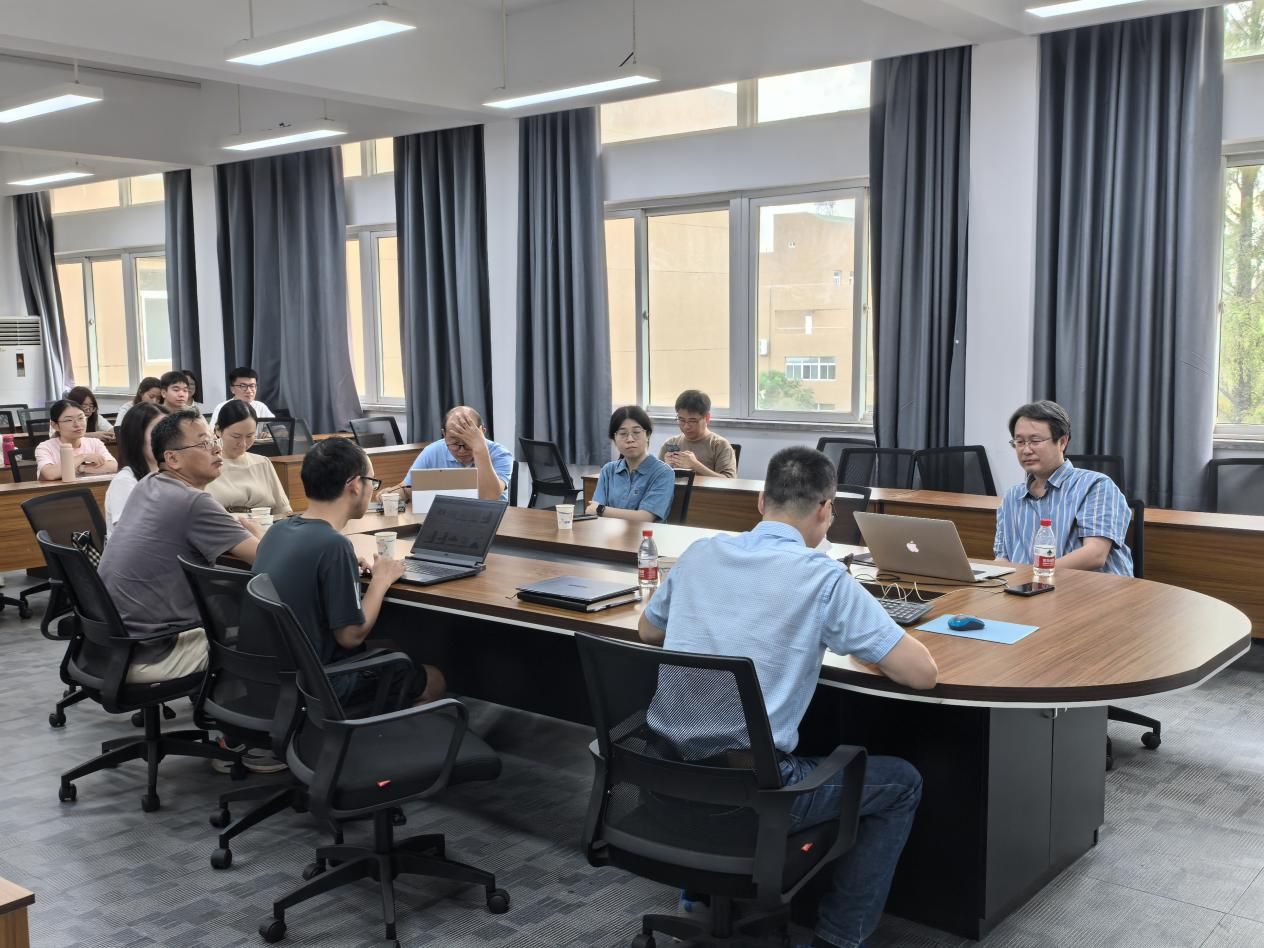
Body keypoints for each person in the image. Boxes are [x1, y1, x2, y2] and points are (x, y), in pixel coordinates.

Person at [638, 446, 938, 948]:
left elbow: (649, 630)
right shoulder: (823, 578)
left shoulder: (700, 554)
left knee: (723, 739)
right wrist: (866, 649)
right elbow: (922, 673)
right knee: (901, 783)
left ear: (761, 502)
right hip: (756, 799)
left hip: (664, 778)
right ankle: (838, 938)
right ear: (826, 509)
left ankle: (700, 894)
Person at [253, 437, 444, 708]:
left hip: (271, 681)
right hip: (320, 686)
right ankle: (372, 730)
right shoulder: (334, 545)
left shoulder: (277, 530)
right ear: (354, 485)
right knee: (434, 679)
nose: (372, 490)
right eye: (372, 482)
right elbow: (350, 636)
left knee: (391, 646)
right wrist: (380, 580)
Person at [98, 410, 260, 686]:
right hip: (155, 652)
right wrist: (259, 533)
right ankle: (244, 713)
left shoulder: (147, 484)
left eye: (214, 440)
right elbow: (267, 558)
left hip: (112, 647)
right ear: (172, 459)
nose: (216, 449)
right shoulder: (193, 502)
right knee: (278, 635)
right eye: (204, 444)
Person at [994, 400, 1133, 576]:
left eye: (1035, 441)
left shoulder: (1096, 486)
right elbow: (1002, 558)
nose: (1026, 450)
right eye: (1019, 442)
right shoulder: (1012, 497)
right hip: (1029, 588)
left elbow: (1095, 554)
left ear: (1062, 442)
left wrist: (1034, 574)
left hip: (1089, 589)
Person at [390, 406, 513, 503]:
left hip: (490, 519)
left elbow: (489, 497)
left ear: (482, 433)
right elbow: (405, 488)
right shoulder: (432, 451)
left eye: (467, 443)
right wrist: (391, 494)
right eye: (454, 443)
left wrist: (480, 449)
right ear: (444, 434)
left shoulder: (500, 454)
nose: (462, 450)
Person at [587, 405, 675, 522]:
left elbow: (645, 517)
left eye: (636, 432)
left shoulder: (663, 472)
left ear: (648, 435)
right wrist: (597, 509)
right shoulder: (608, 470)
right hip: (609, 533)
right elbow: (592, 512)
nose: (630, 439)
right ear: (614, 438)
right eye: (623, 433)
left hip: (645, 533)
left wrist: (601, 509)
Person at [205, 400, 292, 517]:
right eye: (236, 436)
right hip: (223, 526)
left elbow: (283, 511)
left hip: (264, 525)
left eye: (250, 436)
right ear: (218, 430)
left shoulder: (262, 463)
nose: (243, 444)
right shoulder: (204, 466)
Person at [104, 401, 166, 529]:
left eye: (168, 431)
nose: (165, 439)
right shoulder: (125, 481)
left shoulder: (168, 476)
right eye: (156, 432)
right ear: (137, 437)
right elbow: (129, 534)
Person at [658, 389, 737, 478]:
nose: (686, 426)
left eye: (692, 421)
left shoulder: (719, 445)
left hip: (705, 488)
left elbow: (729, 481)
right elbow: (653, 479)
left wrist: (695, 465)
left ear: (707, 418)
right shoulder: (670, 443)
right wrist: (665, 468)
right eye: (681, 420)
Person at [35, 399, 118, 482]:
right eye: (69, 420)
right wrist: (83, 457)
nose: (77, 424)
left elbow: (113, 466)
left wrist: (81, 468)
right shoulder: (45, 447)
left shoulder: (94, 443)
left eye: (81, 418)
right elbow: (49, 474)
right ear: (55, 425)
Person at [210, 366, 275, 428]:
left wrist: (268, 433)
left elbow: (276, 429)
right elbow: (213, 432)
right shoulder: (222, 407)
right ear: (232, 389)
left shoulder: (260, 407)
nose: (249, 391)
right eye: (243, 386)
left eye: (252, 386)